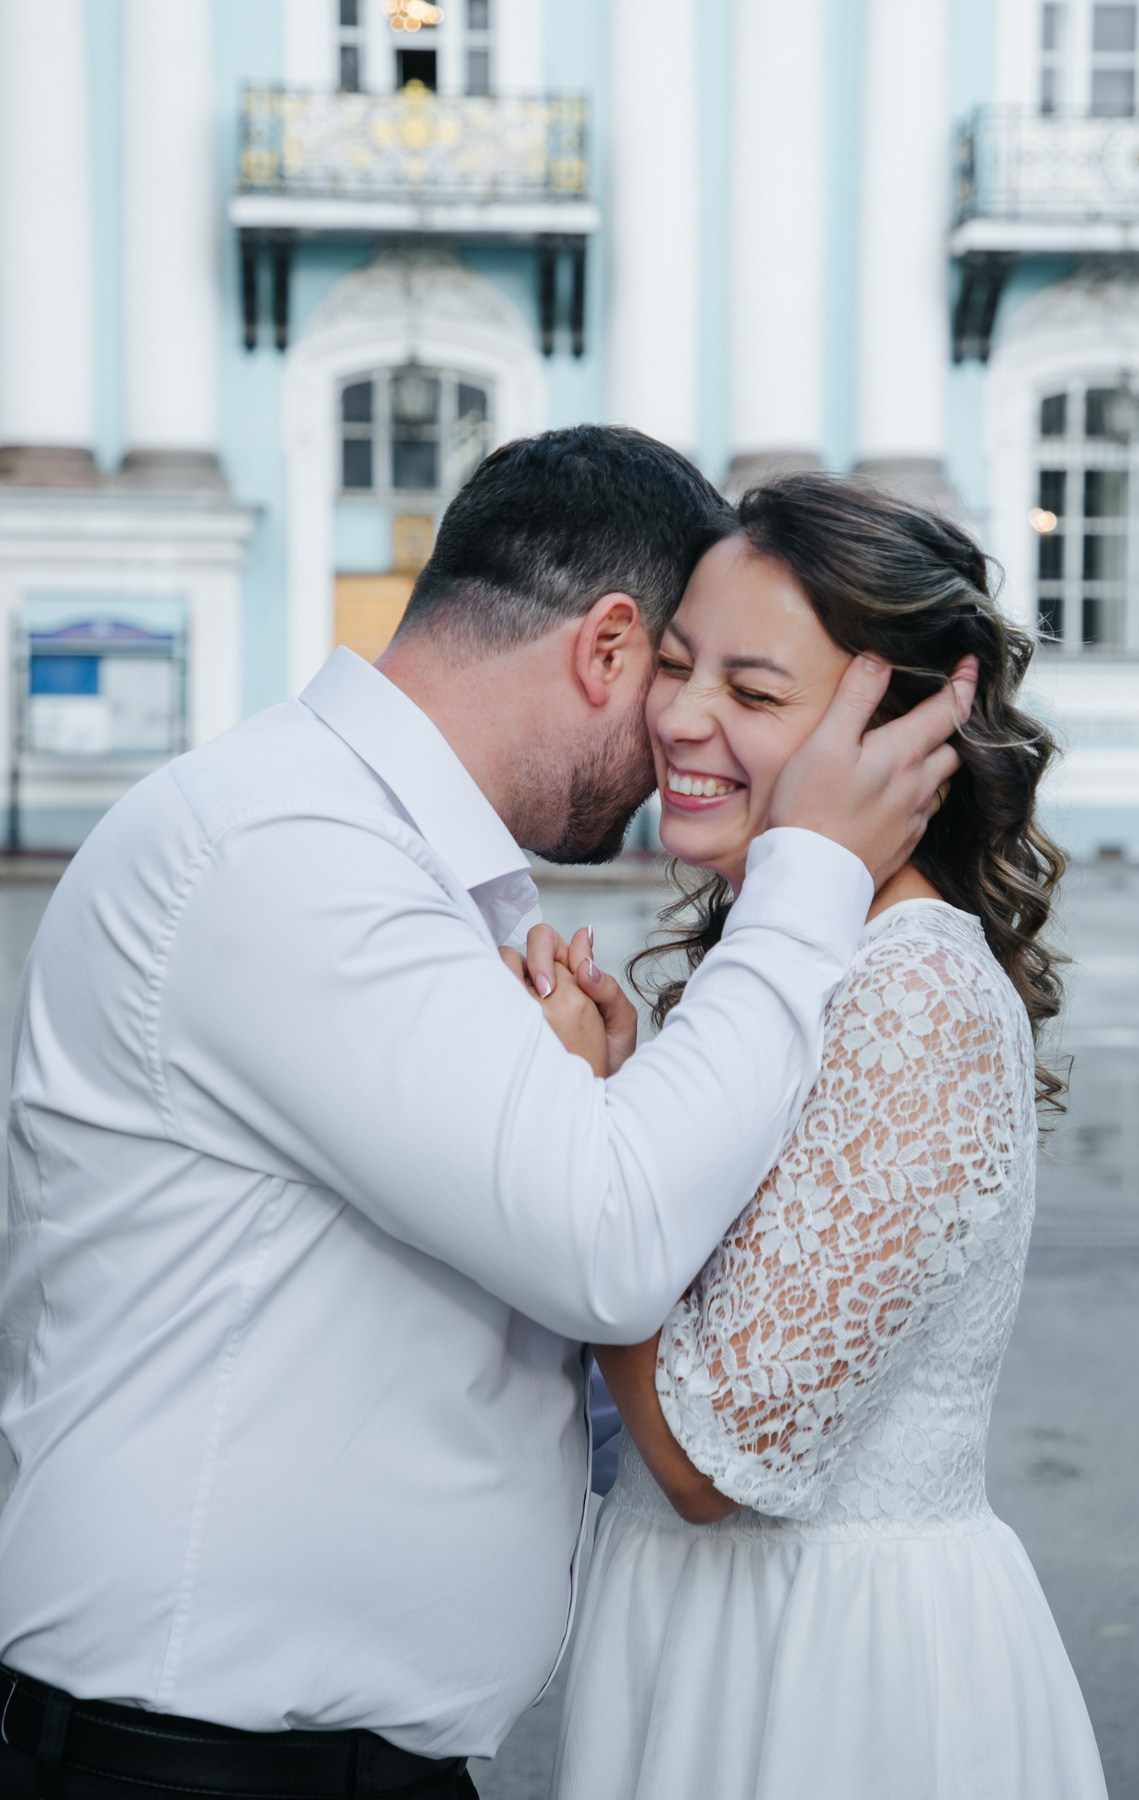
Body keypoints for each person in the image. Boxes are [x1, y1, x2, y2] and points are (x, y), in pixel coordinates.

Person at [0, 429, 973, 1800]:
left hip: (324, 1758)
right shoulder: (290, 851)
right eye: (680, 676)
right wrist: (807, 875)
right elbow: (607, 1239)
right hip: (200, 1760)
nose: (682, 737)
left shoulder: (388, 856)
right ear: (607, 648)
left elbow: (535, 1292)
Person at [550, 476, 1110, 1800]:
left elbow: (704, 1463)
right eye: (677, 666)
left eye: (754, 693)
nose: (681, 717)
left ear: (905, 731)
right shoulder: (785, 958)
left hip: (834, 1676)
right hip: (716, 1633)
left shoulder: (908, 989)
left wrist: (590, 1152)